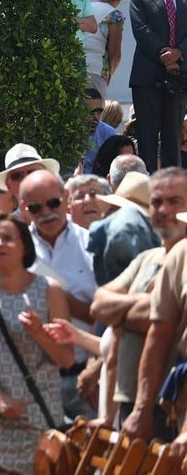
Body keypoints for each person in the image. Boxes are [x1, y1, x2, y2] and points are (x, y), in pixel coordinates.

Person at [0, 216, 73, 475]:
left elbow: (66, 359)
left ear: (25, 246)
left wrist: (39, 333)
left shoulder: (49, 290)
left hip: (35, 418)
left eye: (7, 238)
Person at [93, 167, 187, 440]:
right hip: (129, 399)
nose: (163, 210)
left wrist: (122, 312)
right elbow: (98, 306)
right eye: (156, 202)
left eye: (174, 201)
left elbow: (152, 321)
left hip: (170, 401)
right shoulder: (147, 258)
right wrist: (145, 303)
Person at [20, 170, 97, 419]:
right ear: (24, 208)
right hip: (31, 383)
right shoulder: (12, 250)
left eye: (52, 203)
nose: (46, 213)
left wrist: (62, 299)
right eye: (35, 207)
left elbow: (107, 317)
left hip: (86, 377)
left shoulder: (92, 245)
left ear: (65, 197)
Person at [130, 0, 187, 173]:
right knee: (147, 138)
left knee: (173, 139)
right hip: (147, 77)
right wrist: (164, 54)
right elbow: (141, 30)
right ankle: (147, 192)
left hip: (178, 77)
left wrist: (178, 54)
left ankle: (171, 192)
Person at [83, 0, 129, 97]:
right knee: (93, 114)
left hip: (73, 68)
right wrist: (108, 75)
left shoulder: (83, 9)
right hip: (96, 70)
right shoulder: (115, 15)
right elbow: (115, 55)